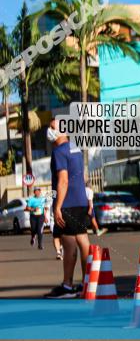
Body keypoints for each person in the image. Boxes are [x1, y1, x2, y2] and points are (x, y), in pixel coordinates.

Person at [44, 119, 91, 298]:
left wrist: (57, 206)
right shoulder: (75, 149)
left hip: (68, 202)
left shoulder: (59, 152)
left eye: (52, 127)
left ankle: (68, 285)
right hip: (80, 200)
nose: (50, 130)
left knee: (69, 242)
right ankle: (89, 281)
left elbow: (63, 180)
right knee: (83, 239)